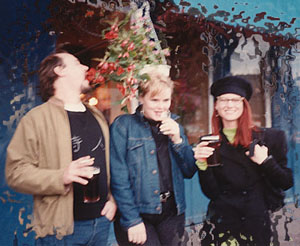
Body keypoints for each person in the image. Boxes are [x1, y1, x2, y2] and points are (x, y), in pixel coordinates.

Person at [5, 51, 117, 245]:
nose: (84, 68)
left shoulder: (97, 115)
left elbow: (111, 164)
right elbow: (15, 173)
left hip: (102, 224)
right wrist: (61, 176)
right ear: (59, 70)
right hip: (59, 231)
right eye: (77, 63)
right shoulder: (36, 119)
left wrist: (113, 201)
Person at [193, 76, 294, 245]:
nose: (229, 105)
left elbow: (286, 181)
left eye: (235, 99)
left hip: (255, 223)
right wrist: (203, 164)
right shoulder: (209, 143)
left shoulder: (271, 138)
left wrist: (266, 161)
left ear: (244, 105)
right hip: (222, 223)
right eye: (224, 100)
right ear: (216, 106)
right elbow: (212, 193)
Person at [109, 65, 198, 245]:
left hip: (171, 213)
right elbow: (119, 178)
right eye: (154, 100)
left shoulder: (175, 126)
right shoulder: (123, 126)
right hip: (139, 213)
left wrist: (178, 140)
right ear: (141, 98)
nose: (161, 107)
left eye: (166, 100)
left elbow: (189, 170)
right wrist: (132, 220)